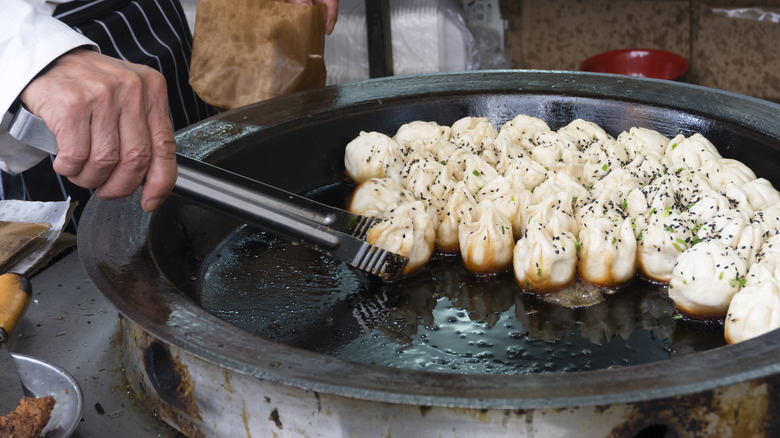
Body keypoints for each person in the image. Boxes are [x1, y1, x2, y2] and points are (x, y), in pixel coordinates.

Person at [0, 0, 338, 230]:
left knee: (210, 225)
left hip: (155, 18)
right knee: (93, 273)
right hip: (47, 60)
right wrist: (28, 53)